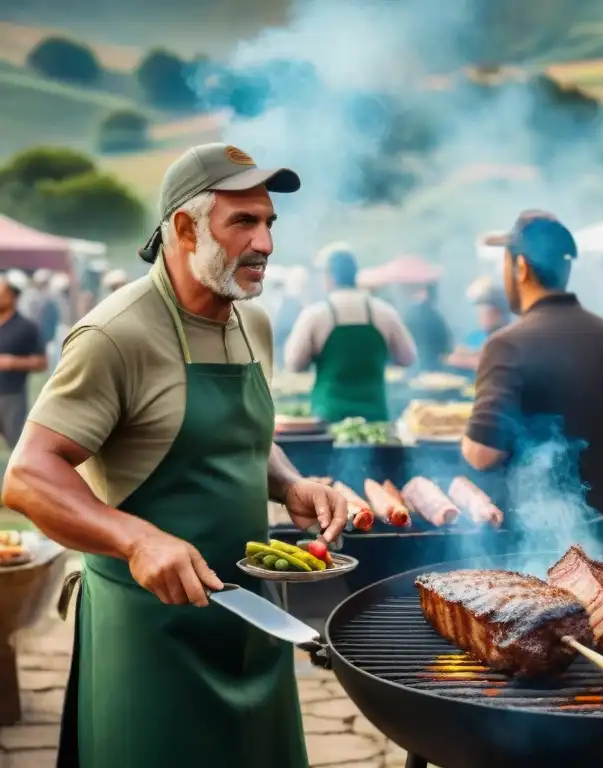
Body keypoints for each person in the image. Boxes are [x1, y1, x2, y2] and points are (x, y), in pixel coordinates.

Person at [2, 143, 352, 768]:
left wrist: (290, 485)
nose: (266, 243)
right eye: (243, 222)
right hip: (149, 633)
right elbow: (28, 476)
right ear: (185, 229)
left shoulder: (255, 323)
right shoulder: (115, 335)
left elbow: (239, 435)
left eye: (270, 222)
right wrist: (138, 542)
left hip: (252, 619)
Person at [462, 210, 603, 542]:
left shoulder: (507, 344)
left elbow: (482, 454)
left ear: (520, 267)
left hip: (543, 551)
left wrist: (464, 437)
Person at [285, 246, 417, 422]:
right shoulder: (384, 313)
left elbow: (294, 364)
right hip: (375, 417)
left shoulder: (316, 315)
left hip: (329, 415)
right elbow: (408, 359)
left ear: (329, 278)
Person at [0, 274, 46, 448]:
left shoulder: (26, 328)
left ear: (13, 296)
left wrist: (13, 363)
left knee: (16, 445)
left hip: (12, 396)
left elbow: (41, 363)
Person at [448, 287, 509, 371]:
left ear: (499, 313)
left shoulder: (509, 339)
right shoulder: (476, 335)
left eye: (486, 312)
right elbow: (453, 358)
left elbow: (492, 365)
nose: (481, 316)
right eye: (480, 311)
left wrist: (469, 360)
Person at [402, 283, 452, 371]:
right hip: (432, 363)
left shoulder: (411, 315)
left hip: (418, 363)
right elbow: (446, 345)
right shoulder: (436, 316)